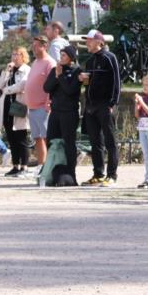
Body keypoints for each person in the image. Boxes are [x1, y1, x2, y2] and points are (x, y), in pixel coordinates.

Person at [79, 29, 122, 186]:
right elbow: (88, 84)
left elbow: (117, 82)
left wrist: (112, 103)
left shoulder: (109, 58)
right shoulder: (90, 61)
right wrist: (83, 80)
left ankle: (112, 175)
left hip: (105, 105)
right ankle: (98, 174)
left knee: (110, 141)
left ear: (99, 42)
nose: (87, 43)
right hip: (91, 106)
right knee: (95, 142)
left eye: (89, 40)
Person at [42, 44, 82, 185]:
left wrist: (60, 77)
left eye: (64, 55)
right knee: (51, 141)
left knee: (69, 143)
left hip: (69, 112)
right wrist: (56, 75)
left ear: (71, 58)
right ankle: (53, 172)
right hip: (56, 112)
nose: (61, 57)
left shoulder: (77, 71)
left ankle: (71, 174)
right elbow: (46, 88)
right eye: (60, 54)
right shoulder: (55, 70)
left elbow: (70, 90)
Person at [0, 46, 31, 177]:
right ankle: (15, 166)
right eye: (13, 54)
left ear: (23, 56)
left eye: (17, 54)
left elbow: (22, 85)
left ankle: (25, 167)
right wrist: (6, 72)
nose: (14, 56)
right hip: (6, 107)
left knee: (21, 137)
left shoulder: (26, 70)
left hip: (19, 106)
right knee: (11, 138)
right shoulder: (9, 70)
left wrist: (7, 90)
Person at [23, 35, 55, 169]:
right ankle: (41, 166)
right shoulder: (36, 62)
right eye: (33, 46)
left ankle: (50, 167)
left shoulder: (50, 63)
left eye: (37, 46)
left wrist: (48, 103)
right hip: (32, 107)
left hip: (43, 107)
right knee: (37, 138)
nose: (34, 48)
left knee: (46, 138)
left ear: (45, 46)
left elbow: (52, 84)